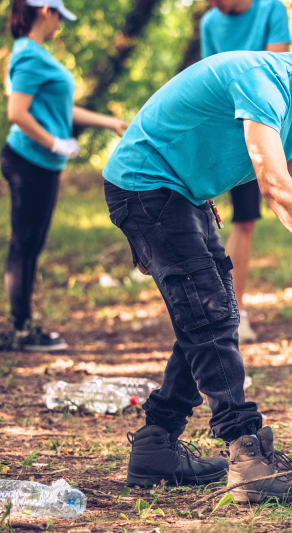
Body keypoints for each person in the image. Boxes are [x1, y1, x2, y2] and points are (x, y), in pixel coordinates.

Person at [103, 16, 292, 501]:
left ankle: (155, 445)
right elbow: (273, 186)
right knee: (209, 315)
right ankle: (248, 459)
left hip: (185, 194)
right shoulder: (263, 80)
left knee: (209, 311)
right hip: (146, 185)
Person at [3, 0, 128, 351]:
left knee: (31, 245)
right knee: (25, 244)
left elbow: (61, 107)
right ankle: (22, 332)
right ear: (45, 10)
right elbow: (17, 112)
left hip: (41, 164)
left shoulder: (35, 53)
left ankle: (23, 327)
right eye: (59, 16)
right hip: (30, 161)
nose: (60, 25)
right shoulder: (29, 55)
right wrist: (56, 143)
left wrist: (110, 122)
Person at [201, 0, 291, 343]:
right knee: (212, 213)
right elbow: (210, 74)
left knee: (247, 218)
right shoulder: (210, 22)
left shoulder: (271, 10)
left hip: (263, 123)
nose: (212, 3)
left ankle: (233, 311)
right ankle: (223, 311)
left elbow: (276, 66)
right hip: (223, 125)